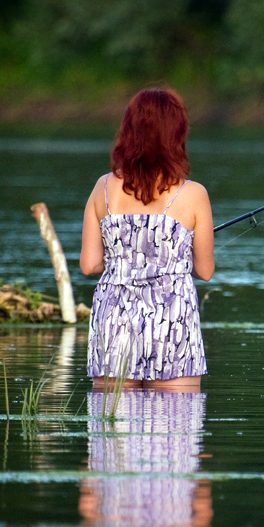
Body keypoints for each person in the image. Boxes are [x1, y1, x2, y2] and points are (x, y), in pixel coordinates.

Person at [80, 86, 214, 391]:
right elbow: (204, 271)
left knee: (113, 429)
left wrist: (124, 259)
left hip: (114, 319)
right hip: (173, 324)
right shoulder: (194, 194)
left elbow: (89, 265)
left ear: (129, 129)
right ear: (176, 134)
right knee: (175, 429)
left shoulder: (103, 188)